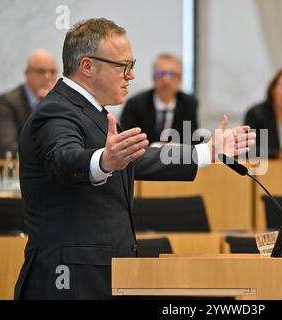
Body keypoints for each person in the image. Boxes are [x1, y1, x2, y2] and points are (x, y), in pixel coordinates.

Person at [14, 18, 255, 300]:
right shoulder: (56, 110)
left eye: (132, 65)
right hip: (69, 280)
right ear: (88, 67)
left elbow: (136, 155)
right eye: (123, 66)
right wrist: (103, 161)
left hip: (102, 274)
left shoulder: (94, 112)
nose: (131, 76)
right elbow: (63, 160)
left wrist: (207, 152)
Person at [0, 49, 57, 158]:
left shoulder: (59, 103)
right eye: (41, 71)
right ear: (27, 73)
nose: (47, 77)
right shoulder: (6, 103)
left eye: (53, 72)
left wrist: (51, 104)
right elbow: (7, 148)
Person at [120, 53, 198, 144]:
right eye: (160, 73)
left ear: (180, 79)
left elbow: (190, 141)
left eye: (172, 74)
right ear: (153, 77)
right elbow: (128, 142)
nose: (166, 80)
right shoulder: (135, 105)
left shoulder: (188, 104)